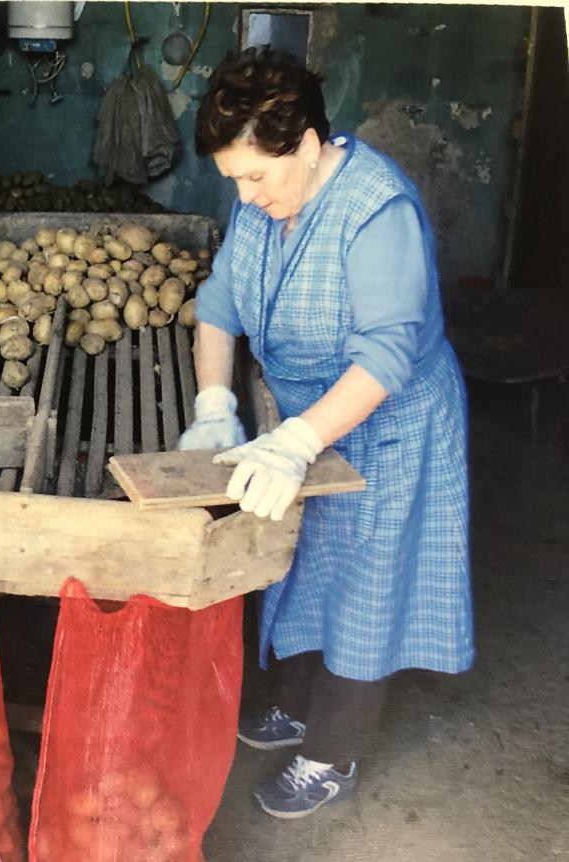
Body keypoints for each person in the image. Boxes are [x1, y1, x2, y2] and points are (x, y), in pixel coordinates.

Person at [179, 47, 472, 819]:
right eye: (234, 178)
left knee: (364, 588)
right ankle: (299, 703)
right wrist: (215, 405)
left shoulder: (378, 210)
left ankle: (331, 751)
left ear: (306, 145)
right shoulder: (260, 200)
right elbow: (218, 306)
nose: (245, 194)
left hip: (388, 422)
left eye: (257, 176)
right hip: (307, 422)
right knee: (305, 565)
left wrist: (294, 442)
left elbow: (384, 354)